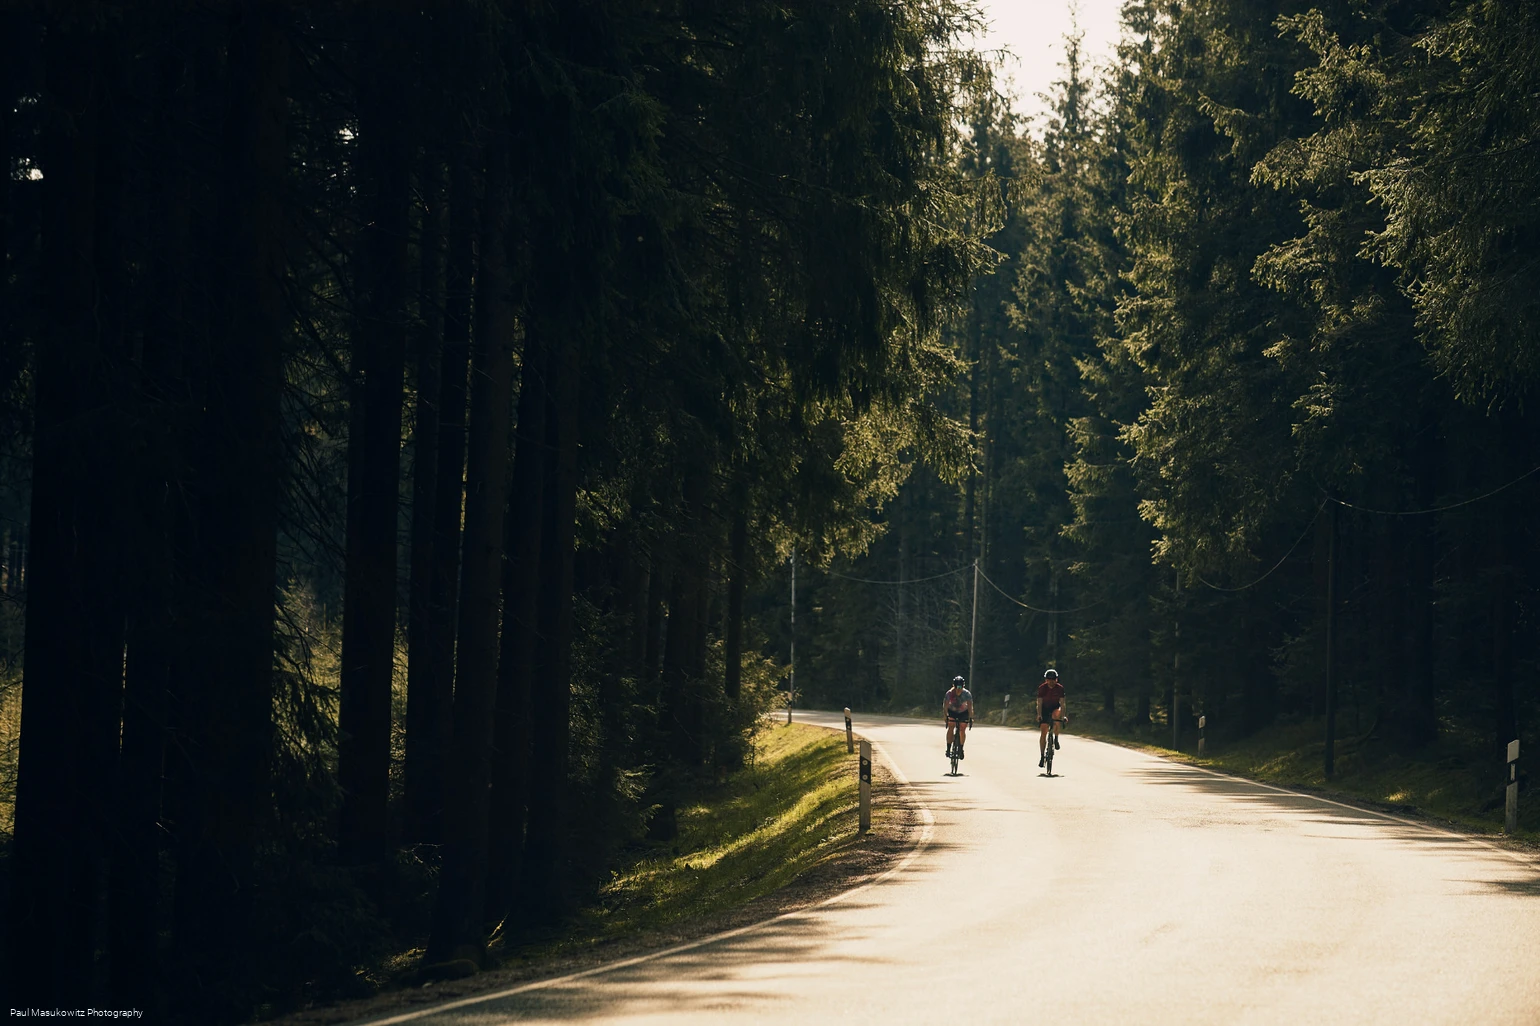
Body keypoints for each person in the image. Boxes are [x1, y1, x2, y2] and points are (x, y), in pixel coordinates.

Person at [1037, 668, 1066, 768]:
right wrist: (1039, 714)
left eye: (1053, 679)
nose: (1051, 681)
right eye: (1049, 680)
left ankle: (1056, 738)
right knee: (1043, 731)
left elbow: (1062, 703)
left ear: (1056, 680)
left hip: (1055, 707)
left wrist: (1063, 716)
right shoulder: (1042, 688)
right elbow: (1039, 703)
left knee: (1056, 716)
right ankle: (1042, 756)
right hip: (1044, 708)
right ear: (1046, 680)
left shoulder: (1060, 688)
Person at [943, 675, 973, 758]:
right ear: (954, 686)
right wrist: (946, 716)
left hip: (963, 712)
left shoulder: (967, 694)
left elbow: (970, 707)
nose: (959, 689)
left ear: (963, 686)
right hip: (952, 711)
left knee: (962, 729)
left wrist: (970, 718)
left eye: (961, 687)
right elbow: (945, 706)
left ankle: (961, 748)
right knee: (951, 726)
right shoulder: (949, 693)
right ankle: (948, 749)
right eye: (957, 687)